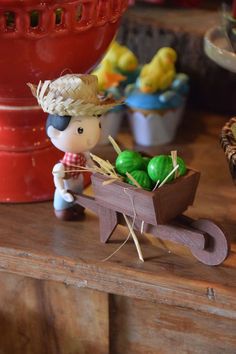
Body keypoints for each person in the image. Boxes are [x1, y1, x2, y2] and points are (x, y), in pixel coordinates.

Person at [28, 74, 120, 220]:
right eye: (80, 130)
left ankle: (77, 207)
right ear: (55, 132)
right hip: (66, 195)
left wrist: (100, 170)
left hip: (80, 190)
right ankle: (65, 209)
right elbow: (58, 181)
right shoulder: (62, 167)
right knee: (65, 212)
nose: (92, 137)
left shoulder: (85, 154)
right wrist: (63, 191)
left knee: (80, 207)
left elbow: (91, 165)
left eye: (98, 125)